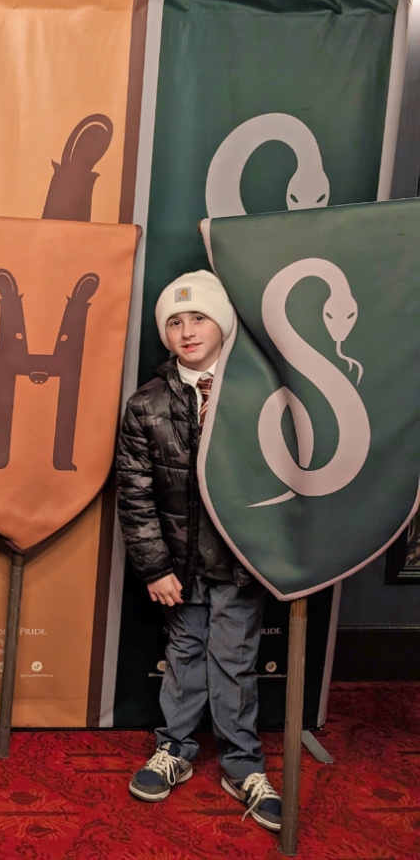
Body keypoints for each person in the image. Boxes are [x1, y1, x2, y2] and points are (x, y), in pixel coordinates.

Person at [116, 270, 282, 832]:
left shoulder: (258, 394)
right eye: (175, 321)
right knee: (184, 659)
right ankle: (175, 750)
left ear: (223, 324)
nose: (188, 331)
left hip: (238, 563)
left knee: (234, 661)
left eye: (199, 318)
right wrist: (155, 567)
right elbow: (135, 494)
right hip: (180, 567)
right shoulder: (146, 404)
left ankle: (243, 765)